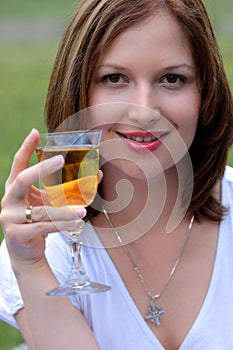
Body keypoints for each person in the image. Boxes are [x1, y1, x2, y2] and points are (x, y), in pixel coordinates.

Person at [0, 0, 233, 349]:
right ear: (79, 91)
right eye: (114, 78)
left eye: (172, 79)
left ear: (205, 92)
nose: (143, 110)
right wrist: (31, 266)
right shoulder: (43, 247)